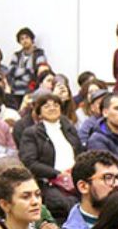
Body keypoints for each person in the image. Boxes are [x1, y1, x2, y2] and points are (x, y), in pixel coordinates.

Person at [18, 93, 82, 221]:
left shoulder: (69, 128)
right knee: (66, 205)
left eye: (56, 105)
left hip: (75, 177)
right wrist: (57, 174)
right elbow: (30, 162)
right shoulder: (32, 133)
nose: (52, 108)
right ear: (39, 112)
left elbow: (80, 152)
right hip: (49, 182)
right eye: (47, 106)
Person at [7, 27, 48, 101]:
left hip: (32, 90)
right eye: (22, 39)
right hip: (16, 90)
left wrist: (19, 73)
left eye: (26, 37)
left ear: (31, 39)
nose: (24, 40)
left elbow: (41, 72)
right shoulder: (16, 55)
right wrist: (29, 71)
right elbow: (11, 71)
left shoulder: (38, 53)